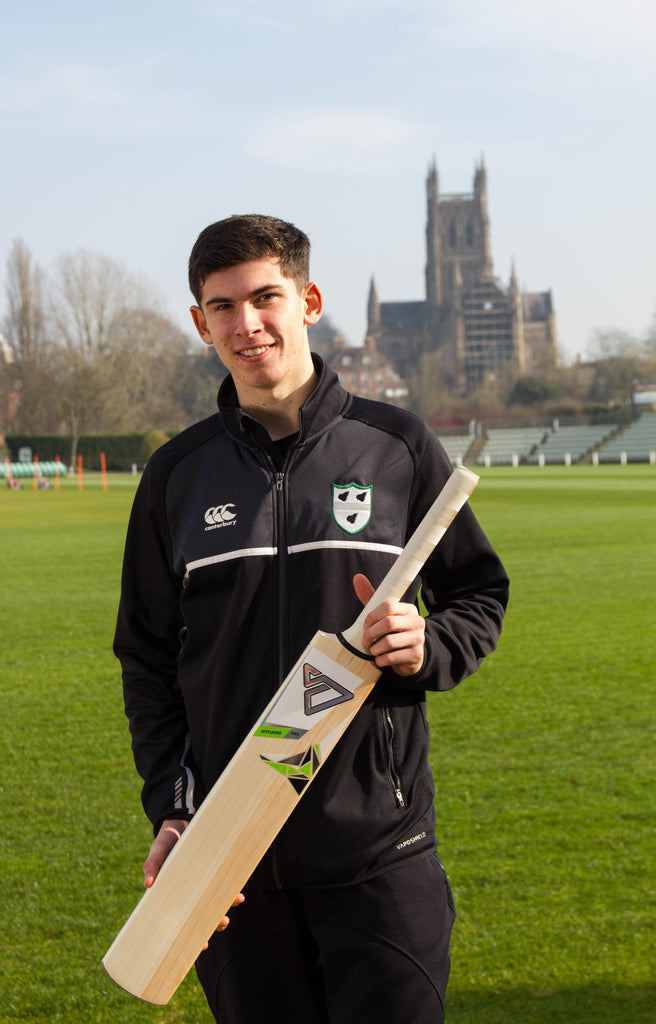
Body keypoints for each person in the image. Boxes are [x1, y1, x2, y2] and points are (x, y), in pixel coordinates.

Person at [114, 214, 509, 1024]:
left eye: (265, 297)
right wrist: (175, 805)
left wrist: (428, 644)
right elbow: (147, 658)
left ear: (310, 301)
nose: (246, 323)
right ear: (200, 324)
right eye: (221, 307)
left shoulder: (396, 445)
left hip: (378, 853)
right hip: (230, 859)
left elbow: (479, 592)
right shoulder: (175, 475)